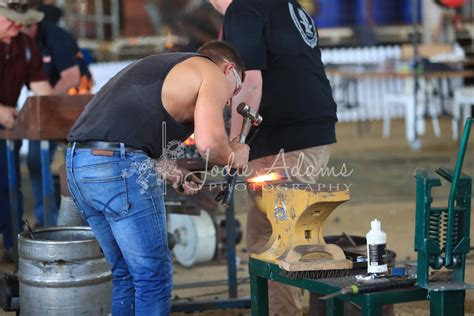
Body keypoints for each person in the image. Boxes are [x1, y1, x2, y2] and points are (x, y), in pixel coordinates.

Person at [66, 40, 249, 315]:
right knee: (153, 276)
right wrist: (235, 154)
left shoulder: (165, 69)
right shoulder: (212, 72)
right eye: (234, 90)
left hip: (79, 165)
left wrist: (172, 171)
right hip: (114, 167)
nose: (228, 100)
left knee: (126, 273)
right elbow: (210, 145)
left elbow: (126, 139)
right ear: (229, 69)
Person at [209, 1, 338, 315]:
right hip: (310, 131)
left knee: (276, 236)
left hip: (284, 138)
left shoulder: (242, 9)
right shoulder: (286, 5)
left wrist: (235, 141)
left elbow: (248, 81)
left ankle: (293, 308)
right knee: (269, 232)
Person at [22, 12, 92, 226]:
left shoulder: (56, 37)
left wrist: (46, 101)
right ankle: (47, 221)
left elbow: (71, 77)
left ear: (33, 23)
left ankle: (84, 223)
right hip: (48, 104)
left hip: (74, 106)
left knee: (80, 164)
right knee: (36, 160)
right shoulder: (22, 42)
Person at [0, 0, 53, 261]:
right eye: (9, 19)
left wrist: (54, 111)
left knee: (10, 182)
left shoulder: (26, 46)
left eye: (20, 20)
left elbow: (41, 87)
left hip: (7, 126)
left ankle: (12, 243)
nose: (17, 25)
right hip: (5, 115)